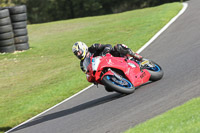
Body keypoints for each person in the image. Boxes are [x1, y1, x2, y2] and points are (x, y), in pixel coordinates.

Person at [72, 41, 143, 73]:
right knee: (108, 88)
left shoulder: (94, 47)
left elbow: (108, 45)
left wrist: (106, 50)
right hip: (104, 69)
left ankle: (135, 55)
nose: (78, 54)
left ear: (83, 48)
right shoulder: (82, 65)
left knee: (117, 47)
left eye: (79, 52)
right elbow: (88, 73)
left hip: (111, 57)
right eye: (76, 54)